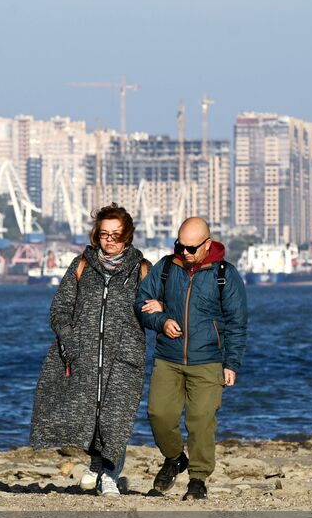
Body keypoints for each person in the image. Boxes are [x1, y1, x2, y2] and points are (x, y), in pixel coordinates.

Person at [29, 205, 150, 497]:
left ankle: (109, 475)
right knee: (88, 416)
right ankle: (96, 464)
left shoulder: (143, 270)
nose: (109, 240)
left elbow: (153, 312)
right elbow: (59, 310)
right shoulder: (81, 265)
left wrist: (159, 310)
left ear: (128, 237)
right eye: (104, 234)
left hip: (124, 358)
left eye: (116, 235)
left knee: (115, 418)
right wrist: (70, 340)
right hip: (83, 354)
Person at [136, 217, 248, 500]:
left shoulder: (225, 274)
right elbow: (141, 302)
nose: (184, 253)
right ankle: (174, 458)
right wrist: (161, 320)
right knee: (158, 414)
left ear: (207, 244)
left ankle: (198, 479)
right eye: (179, 246)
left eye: (190, 248)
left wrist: (231, 363)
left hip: (208, 360)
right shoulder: (165, 267)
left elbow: (237, 322)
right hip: (167, 358)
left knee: (201, 421)